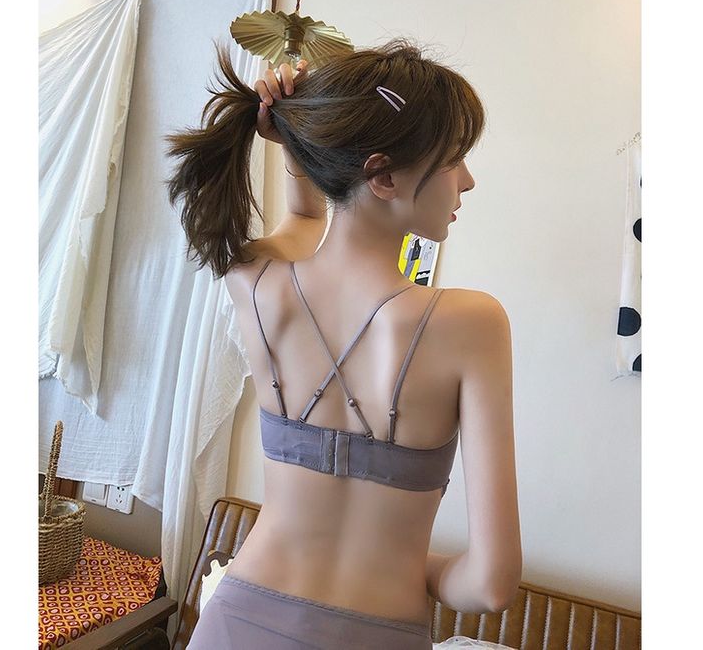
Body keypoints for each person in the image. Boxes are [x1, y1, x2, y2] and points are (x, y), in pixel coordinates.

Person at [165, 37, 521, 649]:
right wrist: (404, 562)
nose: (467, 180)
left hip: (235, 623)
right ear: (382, 175)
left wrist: (294, 144)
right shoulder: (473, 324)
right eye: (453, 159)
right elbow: (490, 587)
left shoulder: (255, 284)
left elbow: (305, 225)